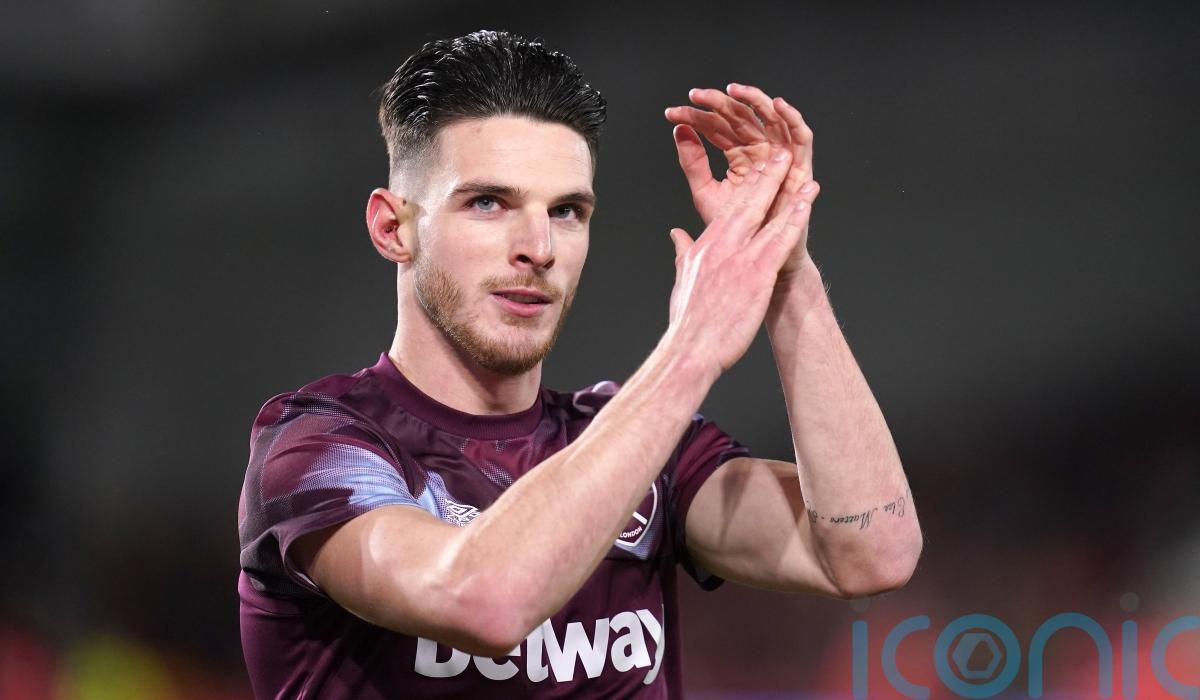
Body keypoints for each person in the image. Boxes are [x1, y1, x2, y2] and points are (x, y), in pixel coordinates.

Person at [237, 29, 922, 698]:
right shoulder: (319, 447)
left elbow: (872, 553)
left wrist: (785, 271)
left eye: (567, 211)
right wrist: (692, 347)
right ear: (394, 227)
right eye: (488, 203)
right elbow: (487, 602)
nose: (539, 247)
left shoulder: (634, 442)